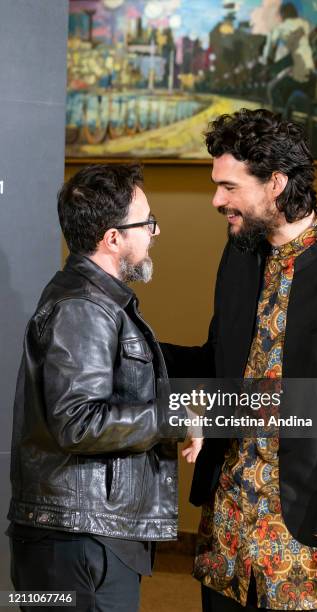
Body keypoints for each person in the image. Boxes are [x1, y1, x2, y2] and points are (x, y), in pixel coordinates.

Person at [161, 109, 317, 611]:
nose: (217, 200)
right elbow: (218, 362)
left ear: (275, 183)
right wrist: (133, 345)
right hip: (226, 524)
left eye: (229, 187)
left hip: (305, 532)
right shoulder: (238, 257)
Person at [7, 164, 199, 611]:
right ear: (113, 238)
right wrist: (174, 419)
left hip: (85, 533)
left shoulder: (94, 301)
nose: (154, 233)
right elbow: (79, 422)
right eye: (147, 222)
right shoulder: (83, 307)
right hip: (78, 541)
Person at [260, 2, 315, 115]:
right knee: (286, 87)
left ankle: (279, 123)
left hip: (298, 75)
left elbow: (270, 52)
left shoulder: (279, 29)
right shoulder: (305, 24)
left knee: (274, 89)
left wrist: (268, 69)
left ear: (283, 14)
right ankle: (287, 115)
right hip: (311, 74)